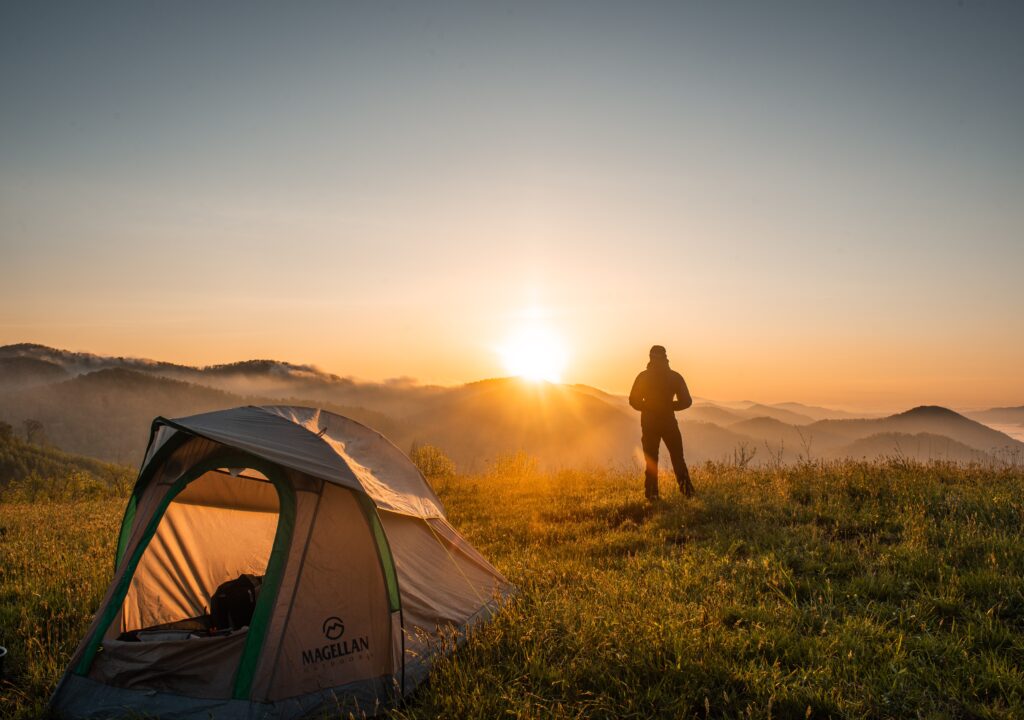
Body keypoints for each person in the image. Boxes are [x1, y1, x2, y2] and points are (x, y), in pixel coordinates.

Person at [628, 345, 695, 500]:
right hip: (669, 423)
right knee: (678, 458)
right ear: (666, 357)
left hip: (649, 423)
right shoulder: (674, 377)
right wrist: (669, 406)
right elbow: (687, 401)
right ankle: (688, 493)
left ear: (650, 357)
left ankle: (652, 495)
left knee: (651, 460)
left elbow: (633, 400)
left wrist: (648, 406)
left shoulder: (643, 377)